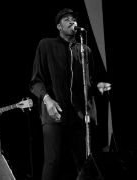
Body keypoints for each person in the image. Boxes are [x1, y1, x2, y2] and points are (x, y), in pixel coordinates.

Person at [29, 8, 111, 180]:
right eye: (67, 19)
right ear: (59, 26)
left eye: (74, 19)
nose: (72, 22)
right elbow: (35, 82)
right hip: (54, 113)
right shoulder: (46, 45)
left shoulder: (84, 50)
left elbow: (87, 83)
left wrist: (97, 87)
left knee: (86, 162)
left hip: (79, 115)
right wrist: (48, 100)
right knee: (53, 161)